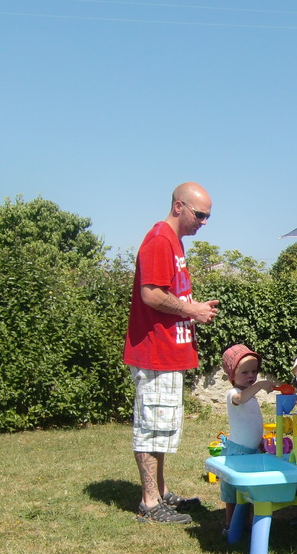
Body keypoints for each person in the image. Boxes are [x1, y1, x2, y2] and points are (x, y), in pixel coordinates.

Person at [123, 182, 219, 524]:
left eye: (209, 216)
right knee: (150, 428)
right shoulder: (160, 240)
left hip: (169, 353)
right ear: (179, 207)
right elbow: (151, 294)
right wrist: (191, 311)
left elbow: (169, 294)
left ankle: (161, 493)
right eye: (200, 214)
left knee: (162, 428)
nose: (204, 222)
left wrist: (194, 307)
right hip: (154, 352)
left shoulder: (174, 242)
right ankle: (149, 505)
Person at [219, 344, 275, 533]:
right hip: (238, 452)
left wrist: (260, 440)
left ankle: (247, 523)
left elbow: (251, 421)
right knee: (232, 493)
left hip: (252, 451)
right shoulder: (233, 393)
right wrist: (259, 386)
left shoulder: (250, 395)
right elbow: (239, 399)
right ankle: (229, 524)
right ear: (231, 376)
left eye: (254, 371)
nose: (251, 376)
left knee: (250, 490)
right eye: (245, 372)